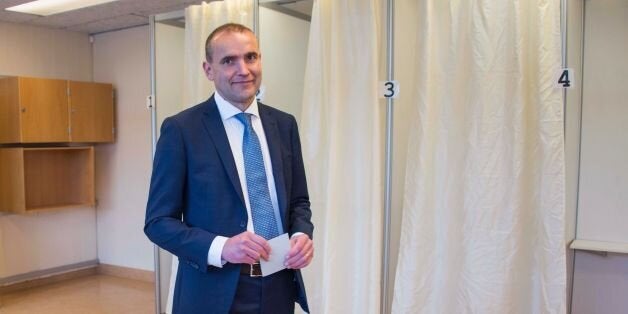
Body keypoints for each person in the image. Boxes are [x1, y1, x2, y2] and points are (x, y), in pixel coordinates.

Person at [144, 23, 314, 314]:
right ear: (208, 70)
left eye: (251, 57)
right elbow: (158, 222)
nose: (243, 69)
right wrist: (222, 247)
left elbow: (299, 201)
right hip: (214, 291)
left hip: (279, 282)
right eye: (229, 61)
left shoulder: (284, 125)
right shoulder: (182, 130)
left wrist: (301, 235)